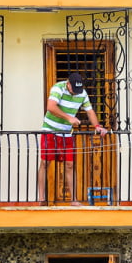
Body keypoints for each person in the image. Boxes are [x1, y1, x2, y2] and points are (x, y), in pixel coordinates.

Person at [37, 73, 108, 205]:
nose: (75, 93)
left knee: (70, 165)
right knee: (45, 163)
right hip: (49, 131)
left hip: (66, 134)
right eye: (73, 89)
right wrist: (69, 118)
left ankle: (73, 199)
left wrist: (97, 126)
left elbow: (90, 111)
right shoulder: (58, 88)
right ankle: (41, 198)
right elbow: (51, 107)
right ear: (68, 83)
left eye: (77, 90)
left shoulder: (82, 93)